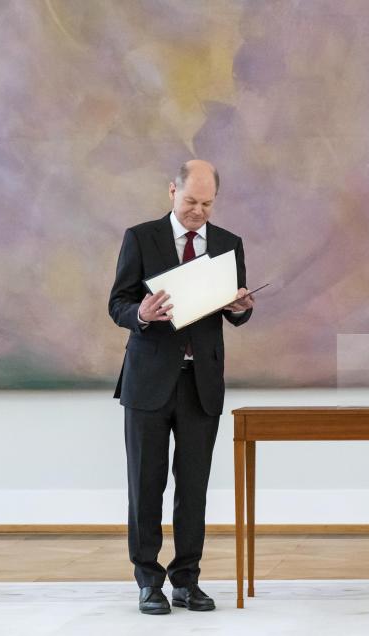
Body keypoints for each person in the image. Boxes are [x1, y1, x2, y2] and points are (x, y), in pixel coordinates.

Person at [108, 159, 255, 615]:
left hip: (201, 384)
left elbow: (237, 311)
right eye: (191, 201)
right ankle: (148, 580)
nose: (198, 212)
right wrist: (141, 315)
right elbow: (118, 303)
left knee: (194, 487)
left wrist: (240, 307)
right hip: (149, 382)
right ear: (172, 190)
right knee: (145, 484)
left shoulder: (229, 244)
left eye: (207, 204)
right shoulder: (141, 237)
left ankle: (186, 580)